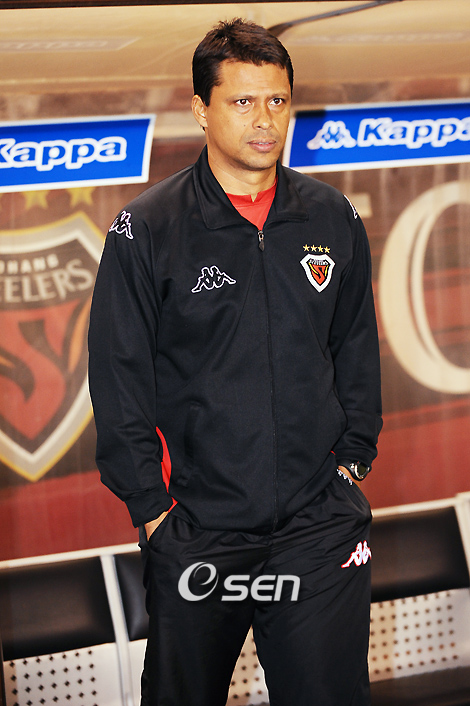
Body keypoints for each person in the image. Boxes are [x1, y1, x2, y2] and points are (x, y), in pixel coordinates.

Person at [88, 18, 382, 706]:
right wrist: (153, 511)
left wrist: (352, 460)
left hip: (317, 529)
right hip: (197, 530)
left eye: (277, 100)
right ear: (201, 109)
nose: (264, 120)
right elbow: (119, 379)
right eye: (242, 101)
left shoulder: (331, 216)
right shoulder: (147, 228)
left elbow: (356, 347)